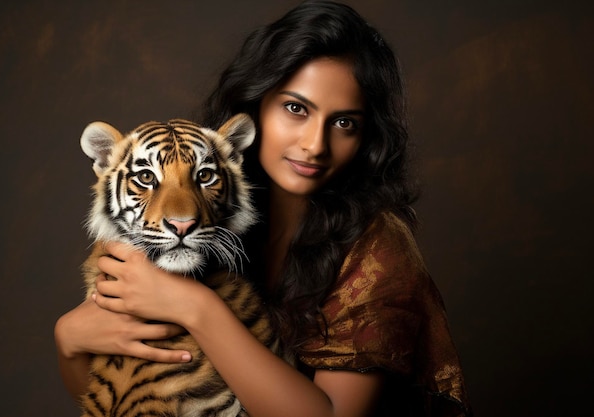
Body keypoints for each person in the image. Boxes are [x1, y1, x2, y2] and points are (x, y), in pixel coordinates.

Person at [54, 1, 472, 416]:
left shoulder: (380, 245)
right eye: (296, 108)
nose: (315, 144)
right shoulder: (211, 209)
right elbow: (121, 401)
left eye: (344, 122)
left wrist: (195, 308)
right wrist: (69, 340)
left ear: (366, 137)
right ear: (256, 105)